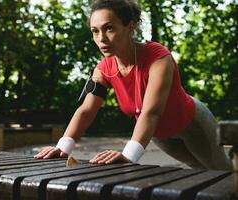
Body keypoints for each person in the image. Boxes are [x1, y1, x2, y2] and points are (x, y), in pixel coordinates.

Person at [34, 0, 232, 170]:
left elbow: (151, 112)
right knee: (198, 171)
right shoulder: (103, 69)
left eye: (109, 28)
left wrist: (128, 155)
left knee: (220, 172)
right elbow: (86, 110)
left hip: (191, 122)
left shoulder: (158, 58)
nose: (101, 39)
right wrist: (63, 147)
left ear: (130, 27)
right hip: (159, 134)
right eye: (95, 31)